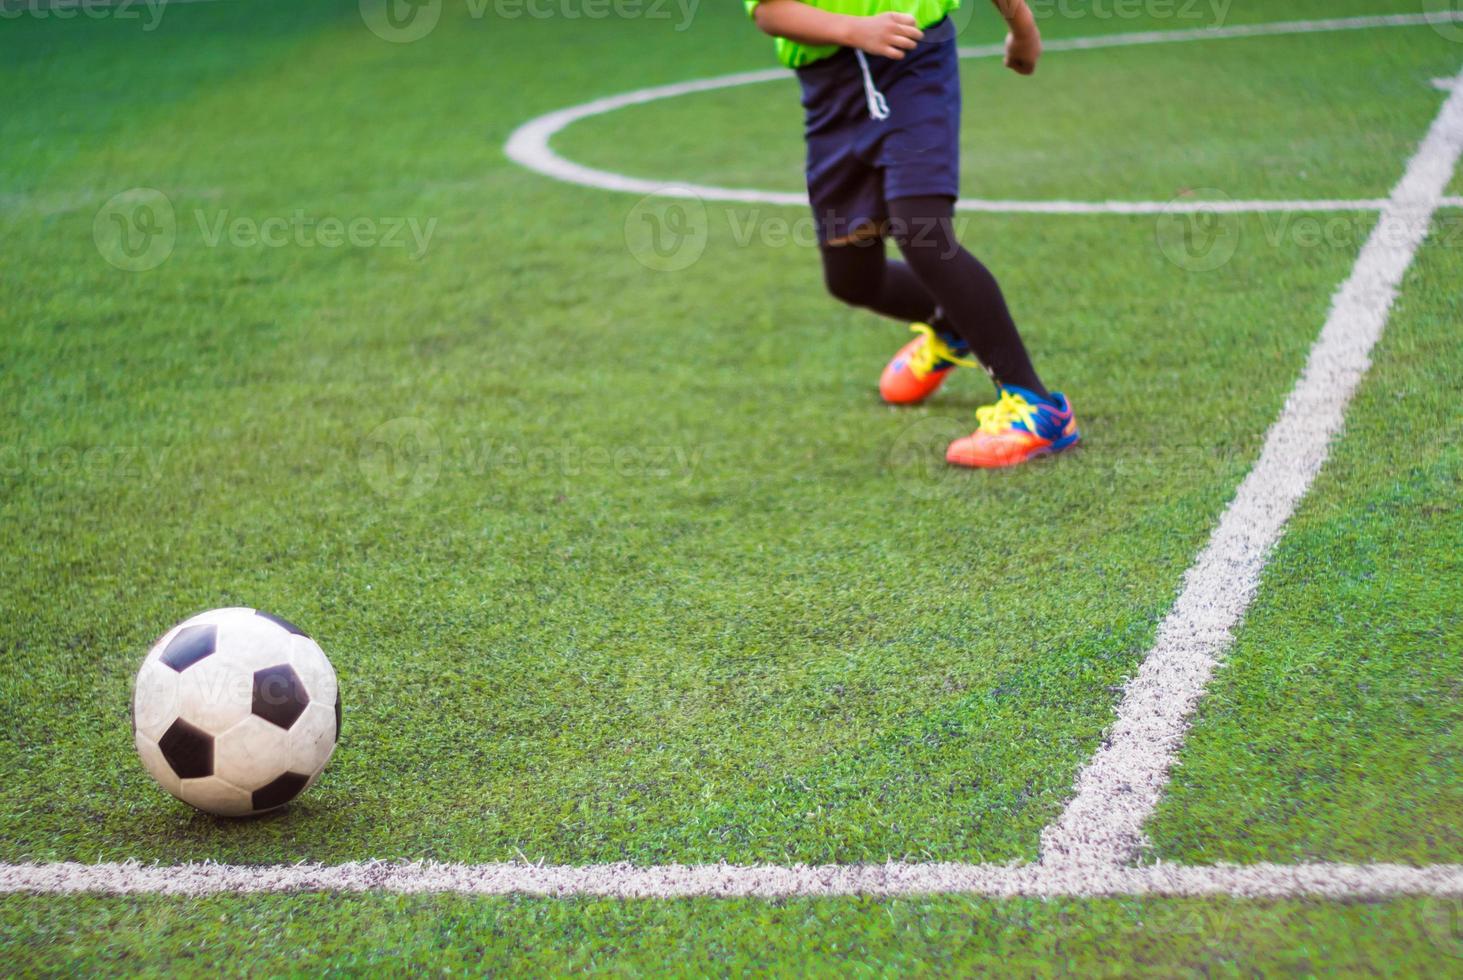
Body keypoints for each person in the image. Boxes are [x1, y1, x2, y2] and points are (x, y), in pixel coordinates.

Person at [746, 0, 1079, 468]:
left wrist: (1022, 28)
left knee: (922, 232)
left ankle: (1037, 409)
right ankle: (950, 327)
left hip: (912, 59)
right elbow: (769, 11)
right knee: (851, 279)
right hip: (829, 89)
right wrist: (855, 29)